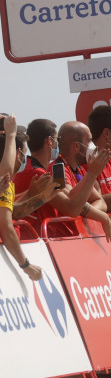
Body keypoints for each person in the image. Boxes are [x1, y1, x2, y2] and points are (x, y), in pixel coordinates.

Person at [0, 115, 43, 281]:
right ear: (17, 153)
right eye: (25, 154)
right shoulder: (5, 183)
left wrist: (36, 195)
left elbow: (12, 211)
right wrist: (26, 266)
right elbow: (6, 228)